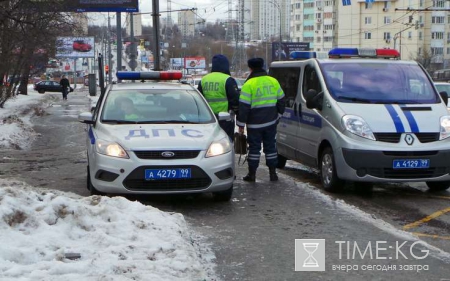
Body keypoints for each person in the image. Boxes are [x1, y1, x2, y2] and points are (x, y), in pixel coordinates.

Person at [237, 58, 286, 182]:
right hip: (270, 122)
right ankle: (273, 174)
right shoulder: (273, 81)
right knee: (271, 148)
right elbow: (281, 100)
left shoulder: (248, 84)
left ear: (250, 68)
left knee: (254, 149)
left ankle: (252, 175)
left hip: (254, 125)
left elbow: (244, 107)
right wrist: (278, 115)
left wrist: (241, 124)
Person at [198, 54, 240, 142]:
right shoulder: (228, 80)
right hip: (225, 119)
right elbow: (235, 100)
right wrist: (238, 113)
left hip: (207, 119)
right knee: (226, 143)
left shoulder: (204, 79)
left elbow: (199, 100)